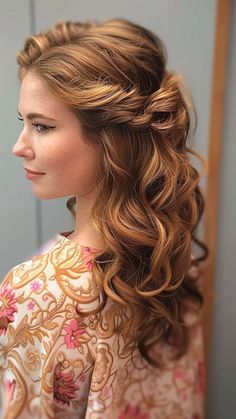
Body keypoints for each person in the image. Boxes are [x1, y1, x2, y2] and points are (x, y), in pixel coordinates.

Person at [0, 18, 208, 418]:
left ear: (113, 139)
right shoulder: (173, 256)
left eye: (42, 126)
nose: (19, 147)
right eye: (22, 122)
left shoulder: (37, 293)